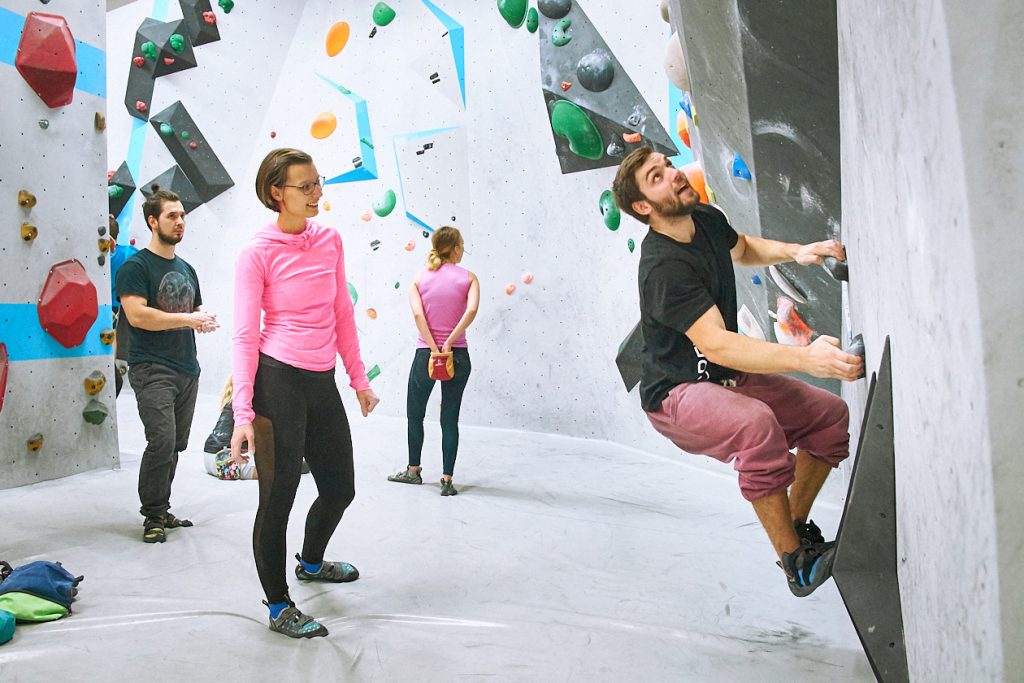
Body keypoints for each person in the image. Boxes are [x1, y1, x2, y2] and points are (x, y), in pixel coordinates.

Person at [611, 148, 864, 597]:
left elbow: (744, 247)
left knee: (829, 417)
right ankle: (796, 565)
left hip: (725, 376)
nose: (672, 174)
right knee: (756, 426)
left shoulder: (703, 218)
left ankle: (795, 529)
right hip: (676, 393)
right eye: (657, 176)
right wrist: (807, 359)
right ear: (643, 207)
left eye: (667, 166)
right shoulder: (662, 268)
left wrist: (798, 251)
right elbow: (717, 342)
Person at [230, 148, 380, 639]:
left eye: (318, 183)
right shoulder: (258, 251)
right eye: (307, 186)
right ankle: (278, 606)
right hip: (278, 379)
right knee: (279, 498)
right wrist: (243, 412)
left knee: (340, 487)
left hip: (322, 378)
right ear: (278, 193)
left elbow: (342, 313)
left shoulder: (330, 241)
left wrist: (358, 379)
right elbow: (245, 334)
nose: (317, 194)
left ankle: (311, 563)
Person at [116, 189, 219, 544]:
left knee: (175, 444)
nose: (180, 222)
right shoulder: (136, 267)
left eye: (182, 216)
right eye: (172, 216)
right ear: (152, 221)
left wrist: (202, 320)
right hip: (151, 368)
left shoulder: (186, 268)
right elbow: (138, 316)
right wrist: (190, 319)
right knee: (161, 440)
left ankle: (162, 507)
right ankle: (153, 516)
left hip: (187, 369)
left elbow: (192, 312)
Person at [388, 227, 479, 496]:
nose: (462, 249)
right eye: (461, 245)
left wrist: (433, 346)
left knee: (415, 414)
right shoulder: (469, 278)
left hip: (424, 355)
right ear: (454, 249)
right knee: (449, 419)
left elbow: (418, 316)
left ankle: (413, 471)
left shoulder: (419, 278)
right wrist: (450, 342)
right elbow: (472, 310)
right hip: (458, 356)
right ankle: (447, 480)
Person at [109, 213, 138, 397]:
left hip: (103, 304)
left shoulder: (99, 254)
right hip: (118, 304)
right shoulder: (128, 252)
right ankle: (113, 367)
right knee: (113, 337)